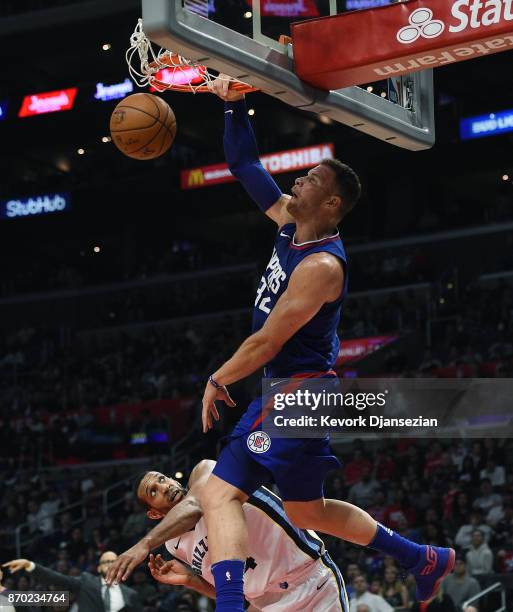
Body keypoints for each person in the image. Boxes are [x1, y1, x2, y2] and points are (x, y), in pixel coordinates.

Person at [192, 77, 454, 611]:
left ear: (331, 202)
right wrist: (234, 105)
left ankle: (229, 606)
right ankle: (421, 558)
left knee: (218, 492)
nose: (298, 180)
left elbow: (268, 339)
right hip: (299, 393)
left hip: (299, 393)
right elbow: (245, 167)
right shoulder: (291, 223)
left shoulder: (321, 266)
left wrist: (219, 377)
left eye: (310, 178)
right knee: (308, 511)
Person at [109, 460, 348, 610]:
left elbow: (195, 507)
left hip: (311, 583)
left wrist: (144, 544)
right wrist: (191, 581)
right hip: (266, 604)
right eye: (154, 492)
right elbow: (233, 592)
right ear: (153, 514)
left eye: (162, 479)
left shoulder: (207, 473)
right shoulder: (174, 546)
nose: (165, 486)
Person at [3, 551, 142, 612]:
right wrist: (30, 565)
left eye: (113, 561)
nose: (110, 564)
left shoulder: (130, 595)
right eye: (106, 561)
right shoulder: (83, 584)